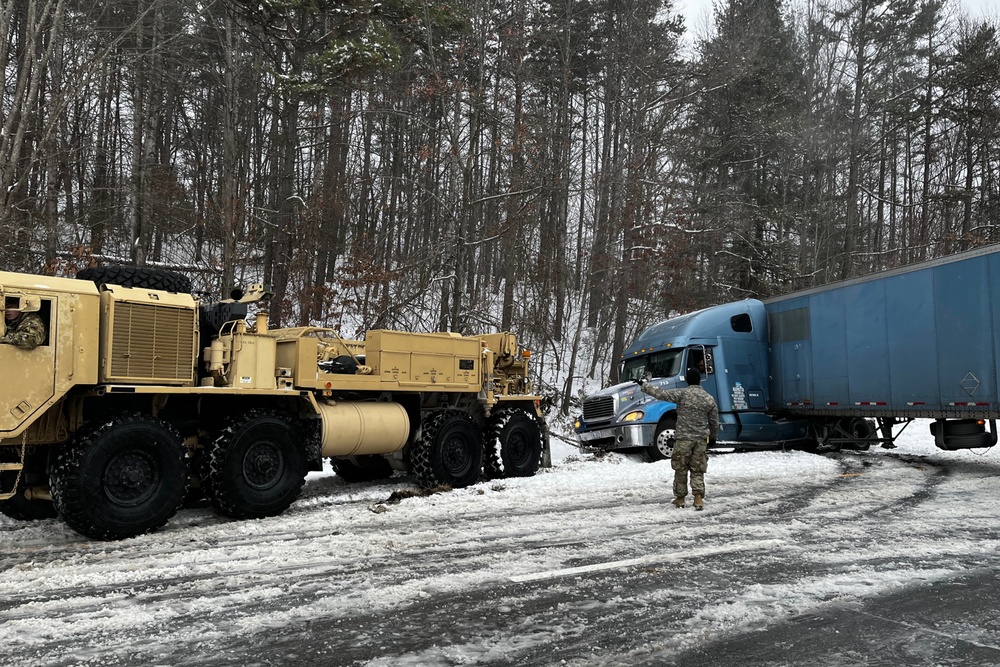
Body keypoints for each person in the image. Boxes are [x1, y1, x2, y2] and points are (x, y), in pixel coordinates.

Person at [636, 367, 719, 510]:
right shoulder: (709, 398)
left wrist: (644, 385)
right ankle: (698, 499)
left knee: (680, 468)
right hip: (700, 439)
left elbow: (661, 394)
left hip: (683, 439)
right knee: (698, 468)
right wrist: (712, 437)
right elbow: (714, 421)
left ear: (687, 380)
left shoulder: (682, 394)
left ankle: (680, 498)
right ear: (699, 381)